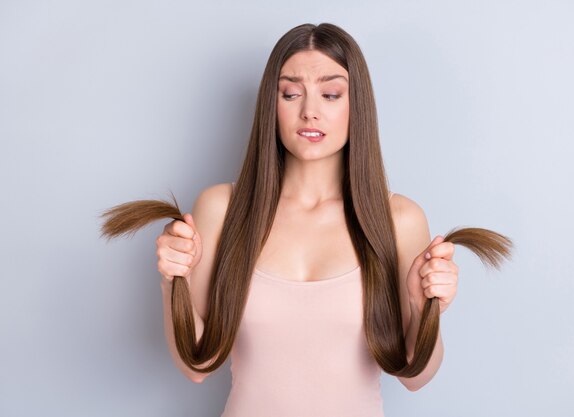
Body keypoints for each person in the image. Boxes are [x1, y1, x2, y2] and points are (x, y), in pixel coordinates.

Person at [155, 22, 459, 416]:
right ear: (272, 104)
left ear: (357, 106)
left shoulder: (398, 219)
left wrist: (424, 309)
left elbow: (416, 377)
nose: (310, 112)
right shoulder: (222, 210)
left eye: (330, 94)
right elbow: (197, 365)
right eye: (291, 93)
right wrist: (169, 283)